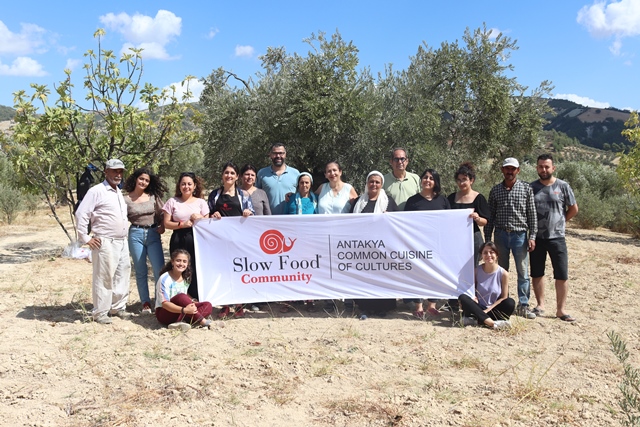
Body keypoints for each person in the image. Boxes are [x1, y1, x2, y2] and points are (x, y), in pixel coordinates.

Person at [75, 158, 132, 324]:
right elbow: (81, 214)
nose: (118, 174)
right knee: (104, 276)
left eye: (120, 171)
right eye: (114, 171)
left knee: (123, 273)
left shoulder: (118, 192)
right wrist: (85, 238)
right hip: (105, 241)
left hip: (122, 240)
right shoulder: (96, 191)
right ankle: (100, 312)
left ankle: (117, 307)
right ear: (106, 172)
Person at [484, 157, 538, 320]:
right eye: (507, 168)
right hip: (500, 235)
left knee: (523, 272)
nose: (509, 171)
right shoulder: (495, 191)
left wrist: (532, 236)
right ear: (502, 170)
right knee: (500, 271)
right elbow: (490, 216)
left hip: (520, 235)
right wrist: (488, 238)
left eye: (512, 169)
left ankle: (523, 304)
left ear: (518, 170)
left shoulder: (526, 189)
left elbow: (532, 214)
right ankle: (502, 302)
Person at [530, 154, 579, 322]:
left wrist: (561, 220)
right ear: (537, 168)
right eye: (541, 167)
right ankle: (540, 305)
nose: (544, 170)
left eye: (547, 167)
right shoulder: (531, 188)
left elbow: (573, 208)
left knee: (561, 273)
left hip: (557, 238)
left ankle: (560, 310)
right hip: (536, 238)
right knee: (537, 272)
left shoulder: (563, 186)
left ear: (553, 168)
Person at [208, 162, 254, 319]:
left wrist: (249, 212)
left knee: (239, 271)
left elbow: (252, 213)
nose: (229, 176)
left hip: (238, 240)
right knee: (224, 271)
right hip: (220, 240)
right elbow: (208, 214)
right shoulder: (214, 194)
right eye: (226, 173)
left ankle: (240, 305)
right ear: (222, 175)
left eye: (232, 173)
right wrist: (213, 215)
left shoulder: (243, 196)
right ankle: (225, 305)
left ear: (237, 177)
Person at [404, 168, 451, 318]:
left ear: (435, 182)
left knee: (435, 273)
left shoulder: (443, 200)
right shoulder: (413, 201)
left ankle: (432, 304)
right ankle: (418, 305)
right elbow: (404, 222)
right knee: (418, 273)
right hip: (417, 243)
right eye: (425, 177)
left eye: (431, 178)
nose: (428, 180)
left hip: (437, 244)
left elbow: (450, 220)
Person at [351, 171, 398, 317]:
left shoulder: (389, 201)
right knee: (365, 277)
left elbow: (396, 223)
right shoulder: (359, 202)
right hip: (363, 248)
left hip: (382, 248)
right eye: (371, 181)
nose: (374, 184)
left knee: (382, 276)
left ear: (381, 184)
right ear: (367, 183)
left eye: (377, 182)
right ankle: (364, 307)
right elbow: (352, 223)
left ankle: (382, 307)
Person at [123, 168, 167, 314]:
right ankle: (145, 302)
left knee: (158, 269)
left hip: (153, 234)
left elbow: (163, 213)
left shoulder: (153, 197)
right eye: (141, 179)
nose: (144, 182)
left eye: (147, 180)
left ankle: (160, 301)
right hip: (135, 234)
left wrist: (162, 226)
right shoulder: (126, 199)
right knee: (140, 270)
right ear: (135, 179)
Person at [162, 172, 209, 301]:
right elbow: (166, 223)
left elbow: (207, 222)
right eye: (183, 184)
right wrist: (181, 224)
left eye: (189, 184)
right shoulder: (172, 201)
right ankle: (177, 297)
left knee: (194, 267)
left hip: (196, 239)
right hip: (178, 238)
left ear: (194, 186)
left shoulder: (201, 202)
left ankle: (195, 298)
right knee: (178, 267)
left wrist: (199, 217)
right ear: (179, 186)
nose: (186, 186)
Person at [458, 242, 515, 330]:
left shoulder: (503, 273)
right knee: (463, 297)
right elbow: (471, 290)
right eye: (485, 253)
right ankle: (492, 323)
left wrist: (487, 311)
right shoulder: (476, 271)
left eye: (491, 252)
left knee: (510, 302)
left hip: (493, 309)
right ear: (481, 255)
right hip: (479, 307)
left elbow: (503, 297)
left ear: (496, 254)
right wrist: (474, 296)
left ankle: (477, 320)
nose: (488, 255)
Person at [283, 172, 318, 312]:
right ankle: (289, 301)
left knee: (308, 269)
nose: (304, 185)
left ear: (311, 184)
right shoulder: (291, 199)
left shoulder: (315, 200)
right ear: (298, 184)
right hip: (293, 240)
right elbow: (284, 217)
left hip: (309, 240)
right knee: (291, 269)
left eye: (307, 182)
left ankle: (309, 300)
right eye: (302, 182)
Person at [155, 249, 213, 331]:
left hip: (182, 312)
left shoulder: (186, 277)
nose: (181, 264)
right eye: (178, 261)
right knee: (181, 296)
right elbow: (165, 304)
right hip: (165, 313)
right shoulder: (164, 279)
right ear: (172, 262)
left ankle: (181, 323)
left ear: (188, 264)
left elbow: (185, 297)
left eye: (184, 261)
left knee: (207, 305)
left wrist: (193, 302)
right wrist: (184, 310)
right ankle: (202, 321)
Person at [447, 162, 490, 266]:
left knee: (473, 268)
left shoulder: (479, 198)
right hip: (455, 238)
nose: (461, 183)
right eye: (459, 180)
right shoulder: (451, 198)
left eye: (464, 180)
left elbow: (485, 221)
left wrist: (477, 218)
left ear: (471, 180)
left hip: (473, 239)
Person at [256, 143, 300, 215]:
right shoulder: (262, 173)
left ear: (285, 154)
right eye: (275, 153)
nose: (278, 156)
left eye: (281, 153)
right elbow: (256, 195)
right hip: (269, 219)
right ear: (270, 155)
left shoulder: (295, 173)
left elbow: (301, 195)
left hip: (290, 219)